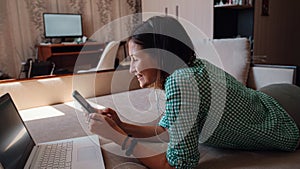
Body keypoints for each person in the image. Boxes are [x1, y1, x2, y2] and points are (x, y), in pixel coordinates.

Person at [88, 16, 300, 169]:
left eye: (135, 59)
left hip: (287, 116)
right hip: (270, 99)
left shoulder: (182, 82)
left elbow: (177, 165)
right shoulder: (189, 68)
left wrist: (117, 136)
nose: (132, 69)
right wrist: (121, 125)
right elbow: (167, 129)